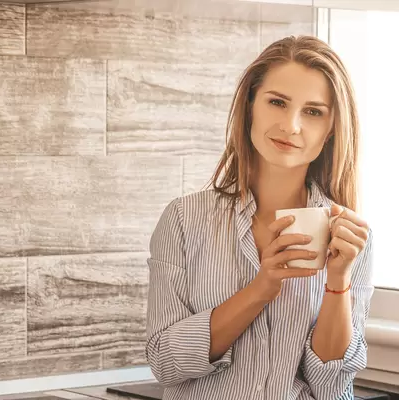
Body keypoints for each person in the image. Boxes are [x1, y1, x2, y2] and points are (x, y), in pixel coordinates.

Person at [145, 35, 374, 400]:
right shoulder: (184, 220)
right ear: (251, 104)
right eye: (277, 102)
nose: (291, 126)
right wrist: (260, 289)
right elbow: (165, 362)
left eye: (313, 111)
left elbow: (332, 386)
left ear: (331, 129)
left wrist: (338, 281)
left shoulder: (350, 235)